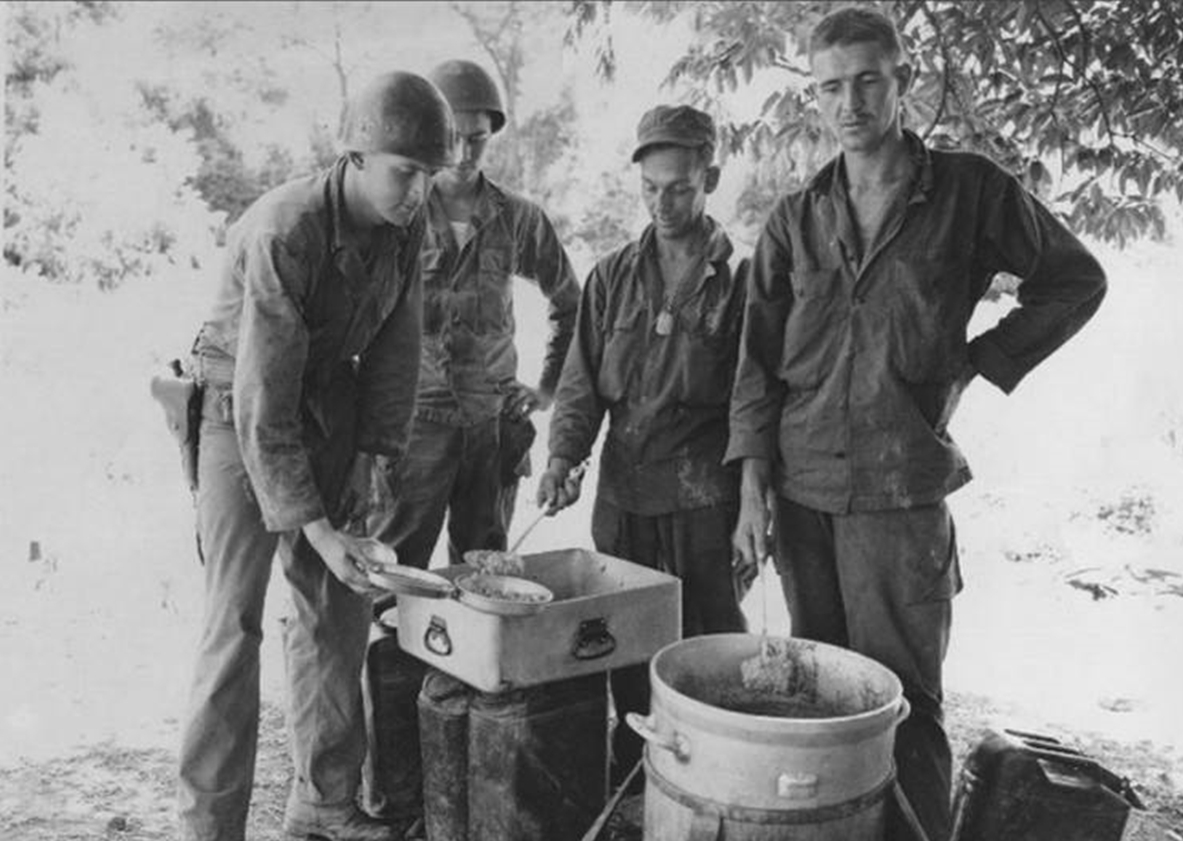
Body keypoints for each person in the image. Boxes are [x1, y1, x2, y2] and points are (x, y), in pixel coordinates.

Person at [726, 7, 1107, 841]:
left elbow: (1074, 280)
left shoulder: (970, 191)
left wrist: (981, 359)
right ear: (814, 98)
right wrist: (752, 487)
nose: (849, 102)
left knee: (903, 704)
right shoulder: (796, 217)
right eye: (830, 87)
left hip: (902, 489)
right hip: (801, 491)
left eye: (867, 80)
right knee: (819, 701)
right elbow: (755, 364)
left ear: (902, 81)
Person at [176, 71, 454, 841]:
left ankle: (323, 802)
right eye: (405, 171)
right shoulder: (283, 229)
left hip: (328, 402)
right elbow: (264, 403)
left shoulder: (405, 223)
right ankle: (208, 825)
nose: (418, 190)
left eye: (430, 174)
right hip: (239, 410)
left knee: (339, 606)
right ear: (355, 156)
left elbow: (399, 347)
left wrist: (372, 453)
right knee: (234, 625)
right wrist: (318, 529)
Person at [538, 104, 749, 791]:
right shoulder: (611, 276)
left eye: (679, 188)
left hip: (702, 497)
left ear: (709, 177)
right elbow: (579, 385)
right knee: (622, 641)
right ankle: (633, 779)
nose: (663, 203)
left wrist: (754, 502)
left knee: (708, 643)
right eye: (649, 189)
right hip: (623, 495)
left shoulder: (743, 278)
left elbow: (756, 400)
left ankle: (710, 781)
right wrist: (564, 459)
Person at [369, 59, 580, 570]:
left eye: (478, 139)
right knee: (394, 577)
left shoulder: (518, 218)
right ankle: (389, 654)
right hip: (414, 429)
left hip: (493, 427)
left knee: (484, 576)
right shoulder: (399, 213)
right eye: (453, 138)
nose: (464, 154)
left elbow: (572, 305)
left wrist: (546, 388)